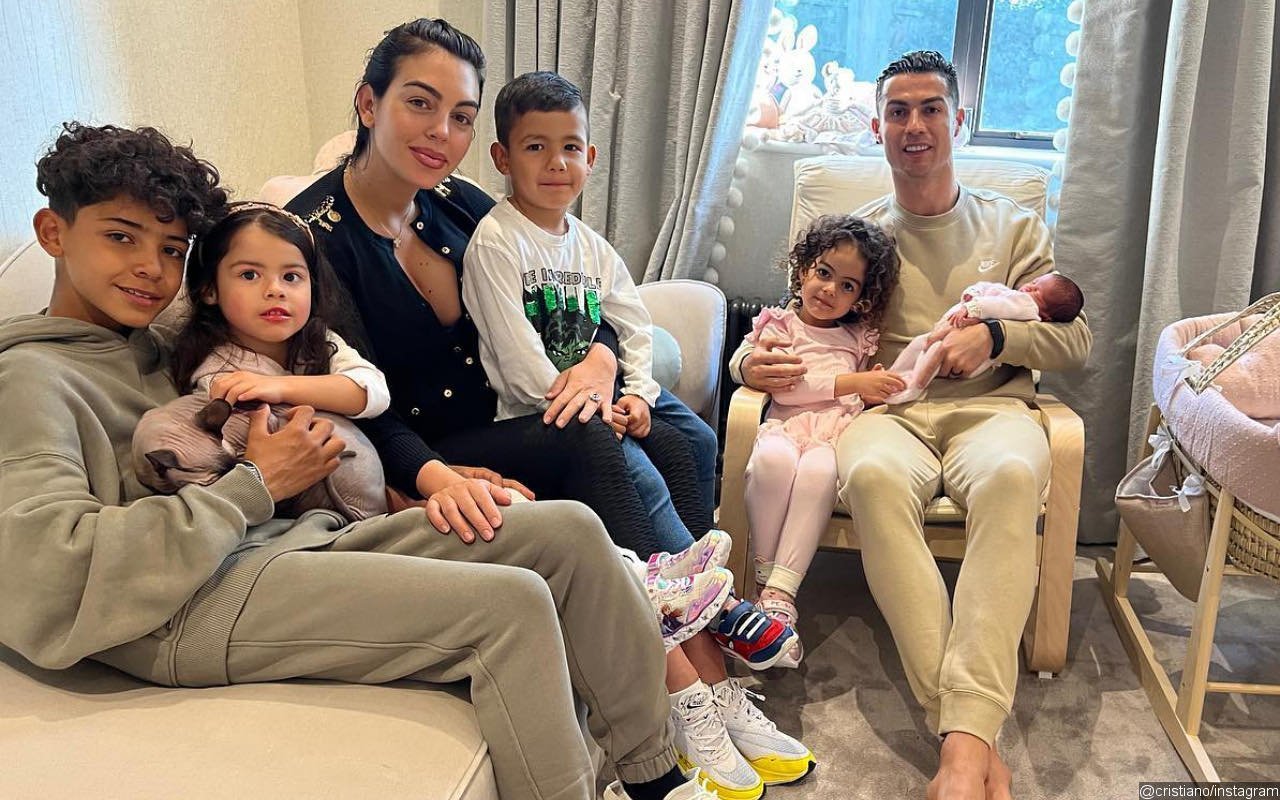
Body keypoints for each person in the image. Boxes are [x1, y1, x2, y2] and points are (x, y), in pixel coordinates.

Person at [0, 121, 716, 800]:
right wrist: (254, 486)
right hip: (179, 604)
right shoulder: (31, 378)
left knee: (568, 532)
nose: (149, 269)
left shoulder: (158, 346)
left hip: (285, 540)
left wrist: (414, 492)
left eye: (170, 248)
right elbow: (46, 577)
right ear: (53, 232)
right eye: (121, 237)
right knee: (512, 606)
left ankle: (656, 775)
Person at [284, 21, 814, 798]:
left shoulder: (454, 203)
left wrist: (602, 358)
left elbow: (571, 294)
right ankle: (688, 676)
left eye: (461, 116)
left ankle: (714, 677)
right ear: (369, 104)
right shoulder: (313, 240)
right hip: (441, 444)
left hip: (525, 412)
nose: (442, 133)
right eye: (420, 104)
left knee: (678, 435)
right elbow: (361, 398)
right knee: (590, 440)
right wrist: (430, 478)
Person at [730, 50, 1093, 800]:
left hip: (996, 412)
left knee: (1014, 478)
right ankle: (970, 738)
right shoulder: (856, 239)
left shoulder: (1014, 226)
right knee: (867, 476)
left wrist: (995, 338)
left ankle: (960, 747)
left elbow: (1075, 340)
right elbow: (787, 325)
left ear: (958, 120)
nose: (915, 125)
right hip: (886, 415)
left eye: (931, 109)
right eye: (898, 111)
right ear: (878, 128)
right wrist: (744, 367)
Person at [463, 70, 722, 554]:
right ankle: (679, 567)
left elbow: (634, 324)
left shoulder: (591, 247)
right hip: (543, 407)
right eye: (535, 147)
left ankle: (701, 556)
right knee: (638, 469)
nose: (557, 163)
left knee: (697, 439)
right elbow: (519, 364)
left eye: (571, 147)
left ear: (591, 157)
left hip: (603, 392)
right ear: (503, 158)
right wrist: (599, 409)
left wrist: (639, 394)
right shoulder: (497, 242)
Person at [132, 202, 390, 522]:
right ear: (210, 290)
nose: (275, 290)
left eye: (291, 276)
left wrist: (279, 387)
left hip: (360, 484)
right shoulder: (217, 371)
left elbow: (373, 393)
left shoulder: (320, 340)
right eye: (249, 275)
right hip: (294, 511)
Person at [741, 214, 903, 665]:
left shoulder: (857, 336)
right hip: (786, 425)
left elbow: (862, 394)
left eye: (847, 286)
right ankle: (765, 580)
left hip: (833, 435)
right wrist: (853, 383)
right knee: (773, 463)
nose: (830, 290)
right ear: (803, 269)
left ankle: (780, 594)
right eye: (825, 273)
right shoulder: (779, 325)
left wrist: (871, 385)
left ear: (861, 297)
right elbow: (786, 388)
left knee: (819, 472)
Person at [886, 274, 1084, 404]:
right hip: (947, 331)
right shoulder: (1013, 294)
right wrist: (973, 292)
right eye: (1033, 282)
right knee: (920, 345)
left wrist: (987, 328)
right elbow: (989, 288)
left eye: (1037, 291)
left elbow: (996, 306)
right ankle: (893, 375)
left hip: (985, 398)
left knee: (934, 352)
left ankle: (914, 386)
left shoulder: (1027, 306)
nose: (1029, 288)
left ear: (1046, 316)